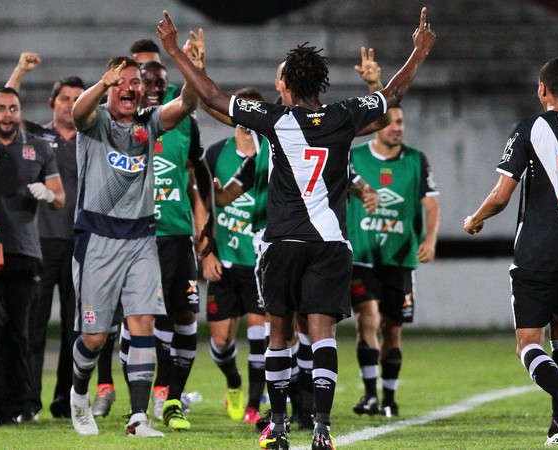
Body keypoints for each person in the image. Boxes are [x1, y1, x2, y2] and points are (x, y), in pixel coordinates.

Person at [157, 7, 435, 449]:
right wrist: (418, 52)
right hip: (329, 243)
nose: (274, 83)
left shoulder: (274, 120)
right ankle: (322, 428)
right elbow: (394, 92)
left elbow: (210, 95)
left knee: (280, 334)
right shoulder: (345, 115)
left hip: (282, 242)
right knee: (322, 333)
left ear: (286, 85)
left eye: (278, 78)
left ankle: (280, 424)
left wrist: (173, 49)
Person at [463, 56, 558, 446]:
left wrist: (474, 219)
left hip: (537, 249)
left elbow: (501, 196)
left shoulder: (529, 128)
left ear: (542, 89)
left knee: (528, 342)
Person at [68, 55, 198, 437]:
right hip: (98, 239)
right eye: (120, 82)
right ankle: (79, 395)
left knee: (143, 322)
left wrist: (190, 68)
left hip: (141, 237)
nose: (129, 88)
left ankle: (138, 417)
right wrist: (100, 83)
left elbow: (188, 104)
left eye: (134, 82)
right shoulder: (96, 124)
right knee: (93, 337)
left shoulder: (149, 123)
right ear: (109, 87)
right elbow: (77, 113)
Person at [0, 87, 66, 425]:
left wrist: (48, 194)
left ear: (20, 113)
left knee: (21, 334)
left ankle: (16, 407)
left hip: (25, 250)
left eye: (13, 108)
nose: (8, 115)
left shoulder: (39, 147)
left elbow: (60, 198)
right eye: (1, 108)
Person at [4, 52, 85, 419]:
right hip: (40, 243)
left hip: (82, 244)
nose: (70, 105)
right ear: (52, 102)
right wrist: (20, 71)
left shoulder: (94, 136)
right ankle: (28, 402)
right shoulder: (35, 137)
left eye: (77, 99)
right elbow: (5, 110)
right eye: (65, 98)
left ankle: (65, 402)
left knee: (76, 330)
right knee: (32, 328)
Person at [348, 102, 440, 418]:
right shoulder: (355, 157)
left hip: (399, 258)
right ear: (376, 126)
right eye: (390, 122)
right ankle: (370, 395)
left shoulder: (416, 160)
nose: (397, 127)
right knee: (367, 318)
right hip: (362, 256)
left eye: (400, 121)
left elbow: (430, 204)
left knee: (392, 330)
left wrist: (429, 238)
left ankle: (388, 397)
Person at [203, 87, 268, 424]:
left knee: (260, 333)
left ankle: (254, 405)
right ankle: (233, 382)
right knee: (220, 340)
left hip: (257, 262)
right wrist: (206, 252)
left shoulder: (270, 156)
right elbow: (202, 206)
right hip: (223, 261)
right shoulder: (215, 154)